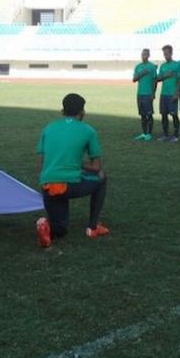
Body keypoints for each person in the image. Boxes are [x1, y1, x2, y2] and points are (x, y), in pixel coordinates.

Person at [35, 93, 108, 248]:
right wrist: (79, 163)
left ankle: (47, 228)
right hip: (68, 185)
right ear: (82, 112)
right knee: (102, 177)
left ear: (63, 110)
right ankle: (93, 227)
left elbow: (40, 160)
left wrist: (43, 181)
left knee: (61, 230)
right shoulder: (88, 131)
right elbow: (96, 167)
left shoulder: (49, 128)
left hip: (48, 185)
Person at [156, 45, 180, 141]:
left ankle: (176, 135)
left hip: (172, 94)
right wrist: (166, 75)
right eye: (164, 54)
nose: (166, 55)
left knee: (174, 115)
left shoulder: (176, 65)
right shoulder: (163, 66)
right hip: (164, 94)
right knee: (164, 115)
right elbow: (158, 79)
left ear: (171, 53)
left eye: (167, 53)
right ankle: (165, 134)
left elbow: (179, 81)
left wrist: (176, 93)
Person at [132, 48, 157, 141]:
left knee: (149, 114)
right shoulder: (138, 67)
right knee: (142, 114)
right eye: (142, 54)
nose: (144, 56)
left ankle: (149, 134)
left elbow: (155, 81)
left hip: (148, 94)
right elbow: (134, 79)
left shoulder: (152, 67)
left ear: (149, 55)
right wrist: (142, 73)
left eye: (146, 54)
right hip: (140, 94)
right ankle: (144, 133)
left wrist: (153, 93)